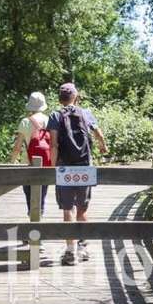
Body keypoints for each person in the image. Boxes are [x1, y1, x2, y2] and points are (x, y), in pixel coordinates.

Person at [47, 82, 108, 265]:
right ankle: (83, 248)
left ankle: (70, 251)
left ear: (60, 98)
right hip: (85, 166)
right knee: (82, 208)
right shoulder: (86, 113)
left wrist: (52, 166)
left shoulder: (55, 116)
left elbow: (53, 144)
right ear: (76, 96)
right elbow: (98, 134)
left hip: (65, 167)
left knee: (68, 209)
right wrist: (103, 147)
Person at [9, 92, 51, 213]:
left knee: (29, 195)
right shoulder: (48, 120)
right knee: (41, 195)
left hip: (27, 163)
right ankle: (40, 212)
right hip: (45, 164)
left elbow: (17, 147)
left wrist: (11, 163)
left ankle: (31, 216)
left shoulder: (25, 122)